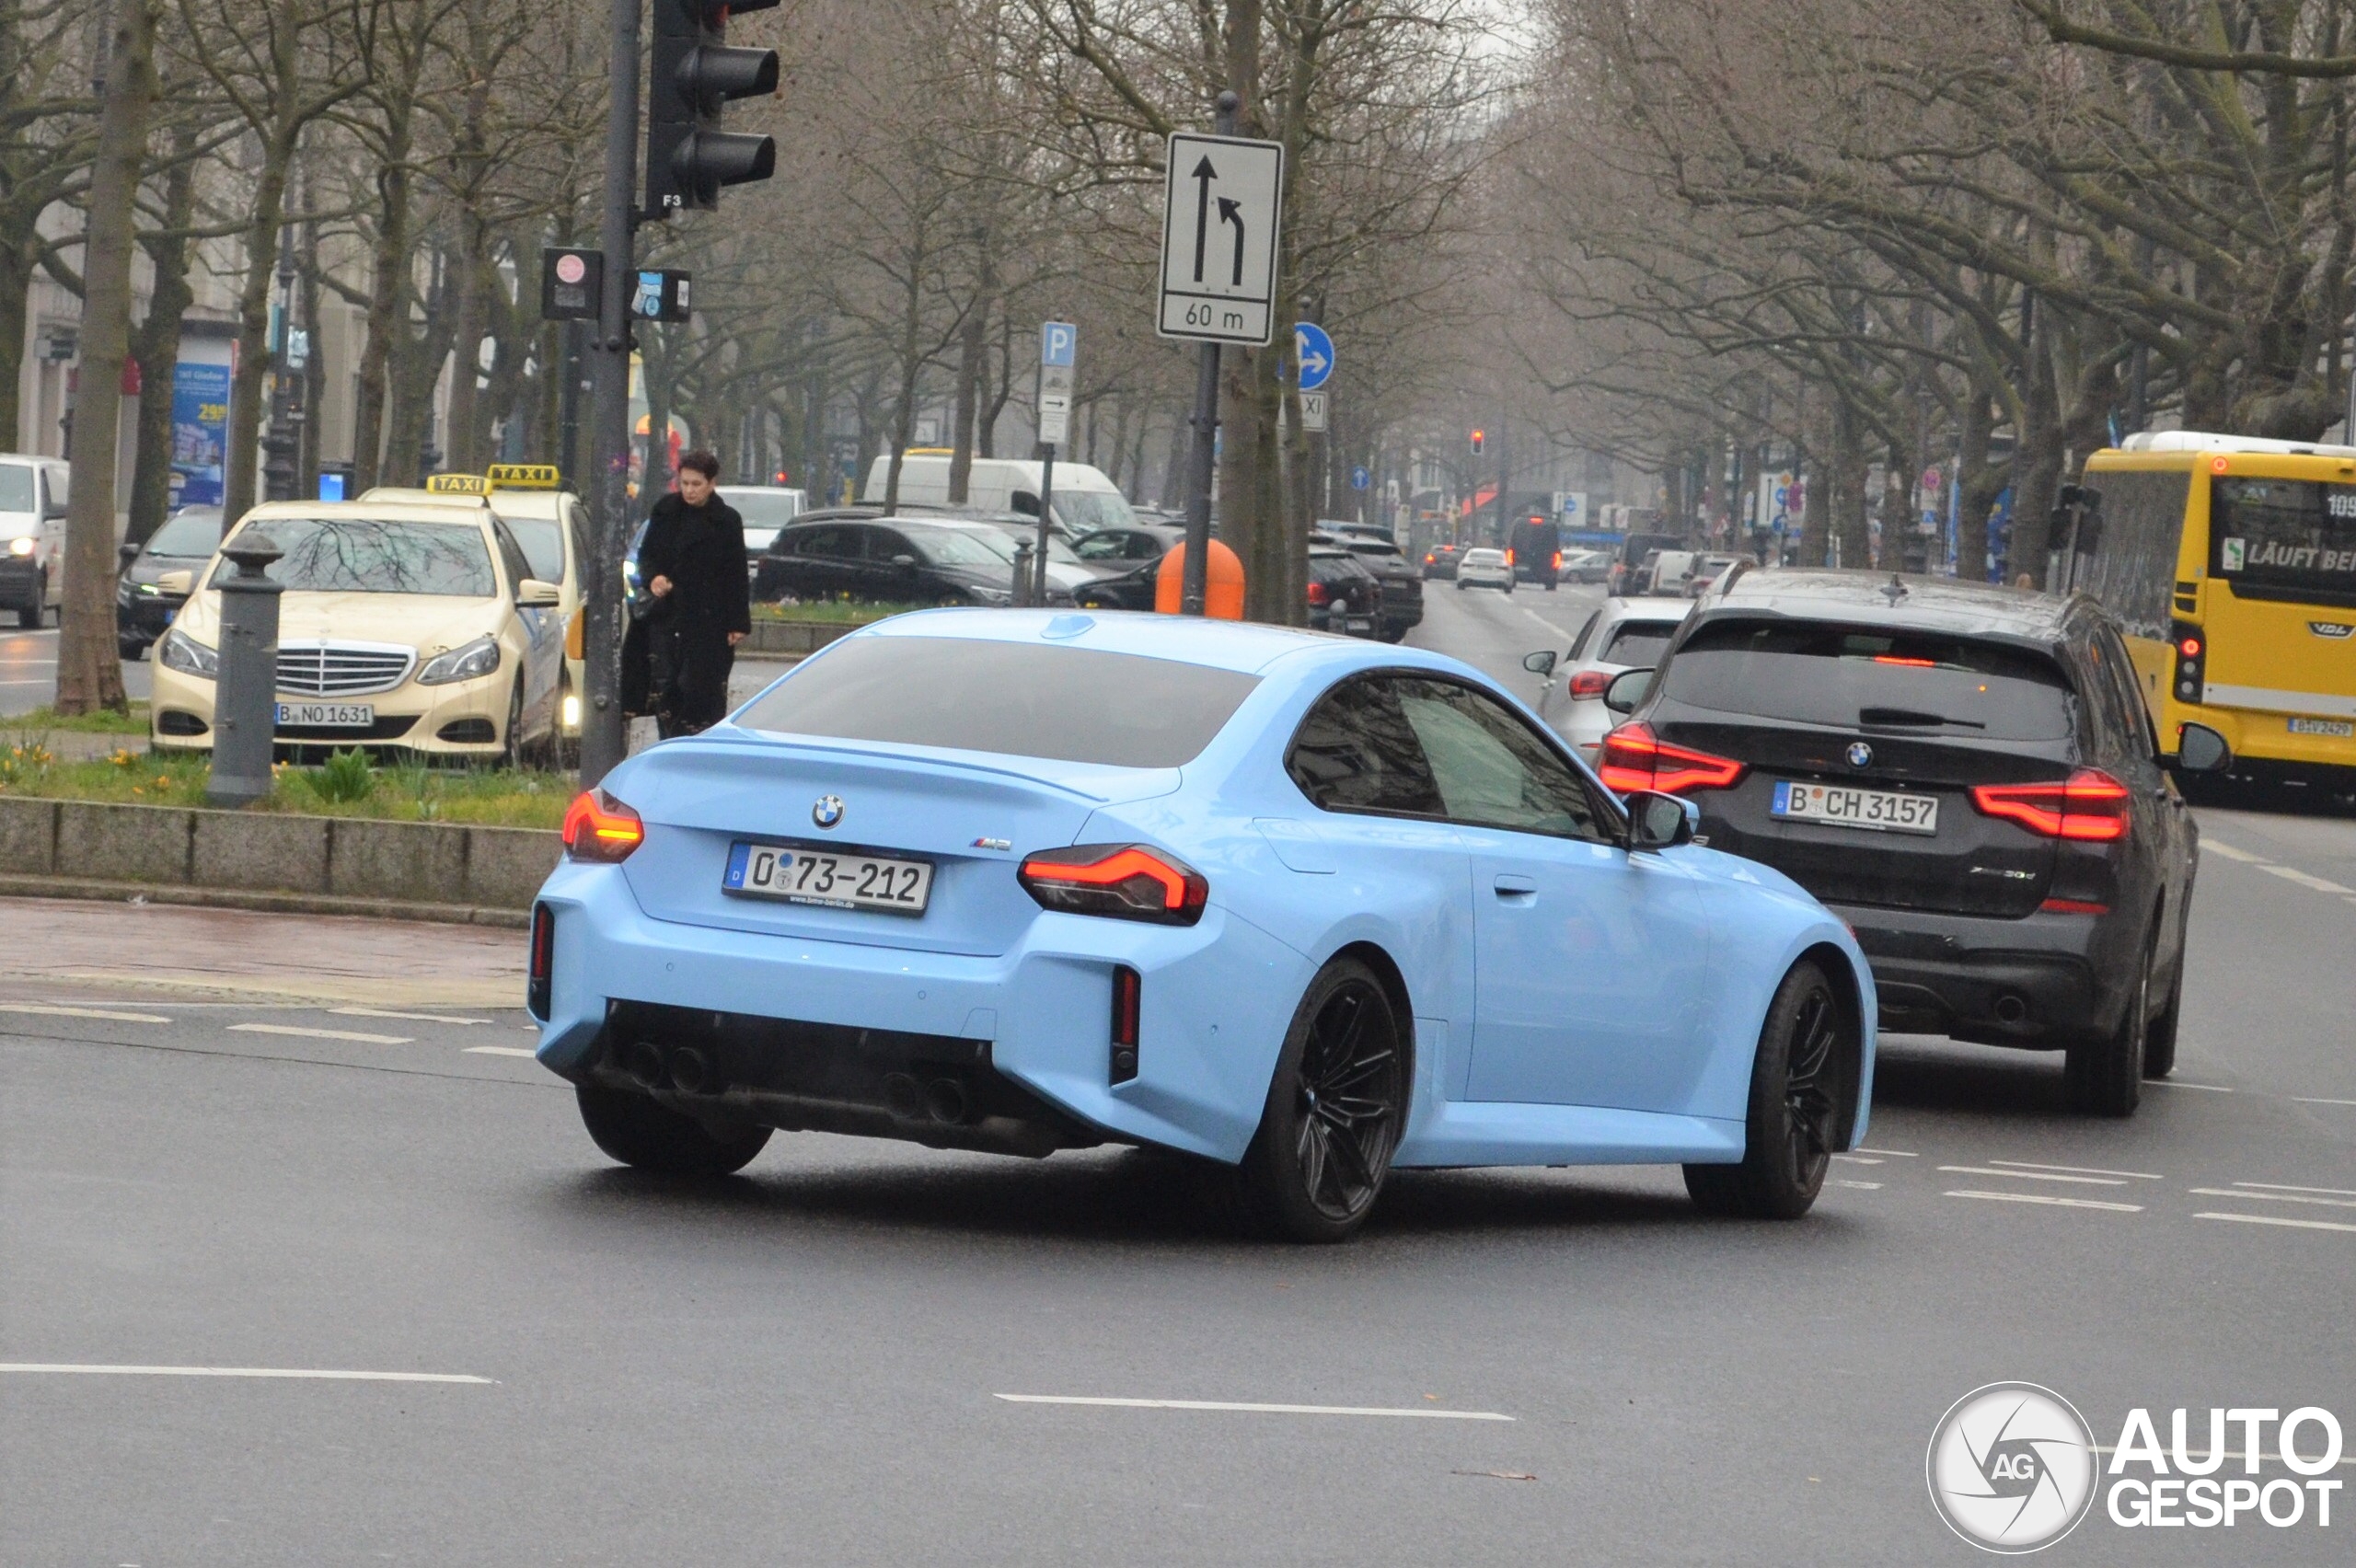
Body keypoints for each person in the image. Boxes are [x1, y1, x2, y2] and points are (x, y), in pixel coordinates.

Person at [623, 451, 750, 738]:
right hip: (667, 614)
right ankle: (669, 737)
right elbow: (647, 555)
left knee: (701, 686)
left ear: (711, 483)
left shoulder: (726, 521)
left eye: (696, 484)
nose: (689, 491)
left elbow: (736, 572)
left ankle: (697, 739)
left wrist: (737, 622)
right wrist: (654, 578)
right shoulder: (665, 512)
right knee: (665, 684)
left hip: (709, 618)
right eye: (685, 483)